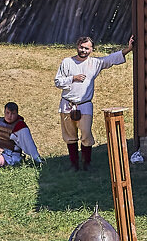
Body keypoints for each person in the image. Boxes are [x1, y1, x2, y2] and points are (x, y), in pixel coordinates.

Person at [55, 35, 134, 171]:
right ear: (77, 46)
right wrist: (72, 78)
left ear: (91, 49)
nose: (83, 50)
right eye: (81, 47)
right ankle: (74, 164)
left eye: (86, 48)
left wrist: (128, 49)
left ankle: (87, 163)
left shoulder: (94, 63)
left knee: (86, 134)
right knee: (70, 136)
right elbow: (58, 82)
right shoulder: (67, 62)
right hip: (67, 104)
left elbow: (110, 59)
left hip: (85, 105)